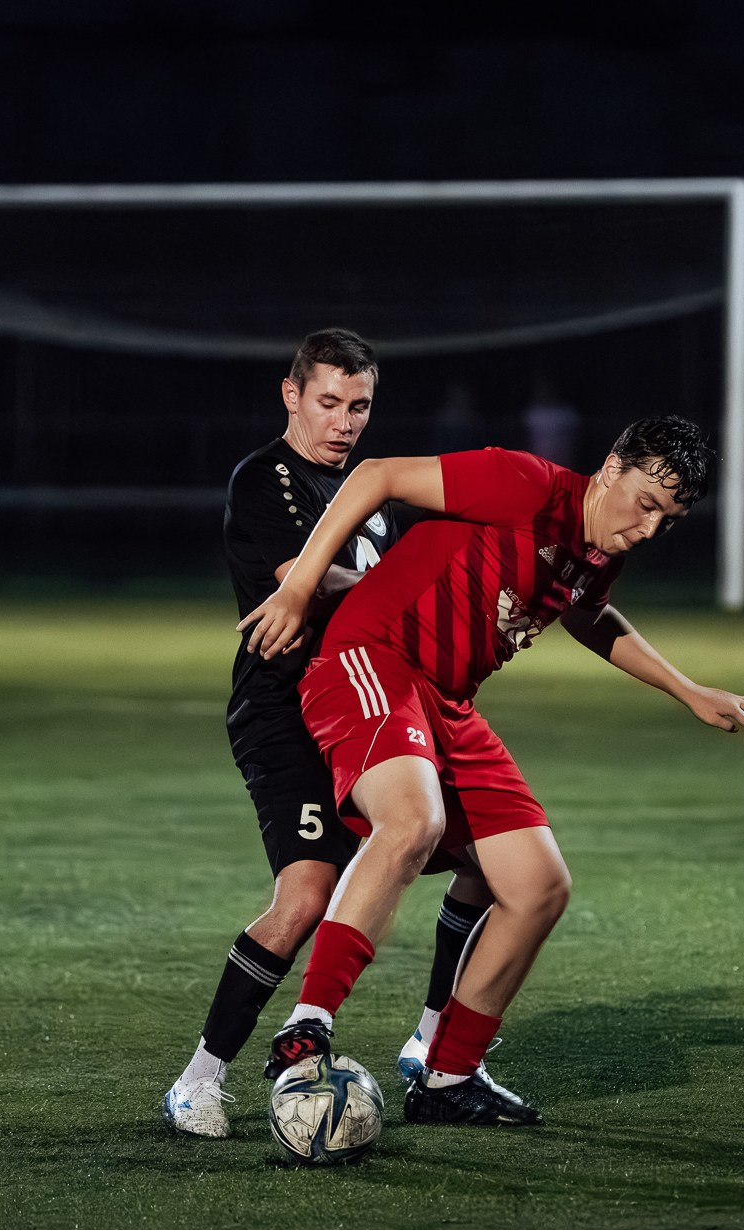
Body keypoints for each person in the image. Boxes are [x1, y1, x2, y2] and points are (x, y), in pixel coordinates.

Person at [240, 415, 744, 1125]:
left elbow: (590, 614)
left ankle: (448, 1076)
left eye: (667, 521)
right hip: (374, 658)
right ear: (612, 467)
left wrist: (688, 690)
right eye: (646, 504)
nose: (649, 529)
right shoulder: (525, 484)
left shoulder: (598, 550)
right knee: (413, 821)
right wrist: (299, 587)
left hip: (447, 703)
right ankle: (308, 1024)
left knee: (539, 885)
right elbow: (378, 475)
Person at [162, 328, 499, 1137]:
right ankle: (198, 1078)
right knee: (308, 893)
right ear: (291, 395)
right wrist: (409, 588)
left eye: (360, 405)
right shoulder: (267, 479)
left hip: (372, 705)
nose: (344, 422)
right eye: (328, 402)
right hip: (285, 711)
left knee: (494, 857)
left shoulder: (372, 492)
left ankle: (431, 1047)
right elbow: (307, 580)